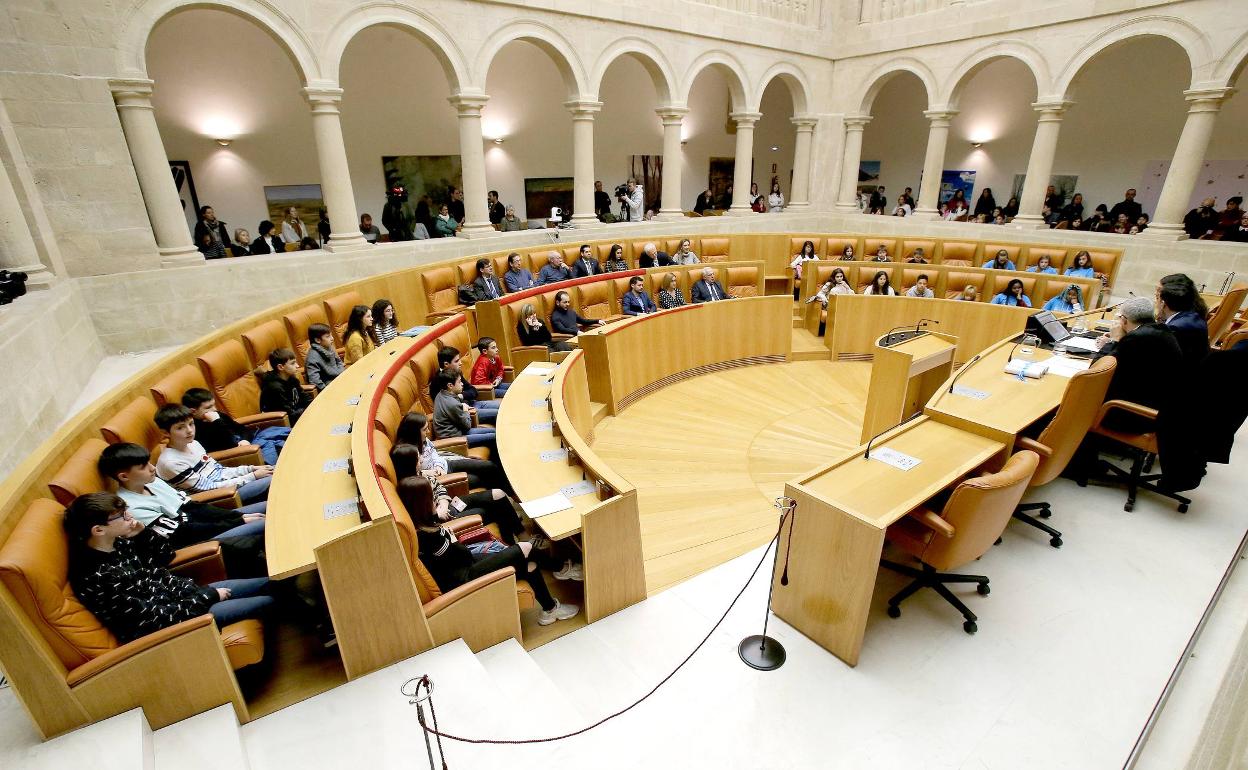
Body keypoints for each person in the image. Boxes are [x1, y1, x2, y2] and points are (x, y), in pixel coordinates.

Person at [64, 493, 275, 644]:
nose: (130, 517)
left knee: (273, 582)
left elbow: (166, 556)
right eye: (122, 516)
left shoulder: (118, 543)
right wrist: (207, 596)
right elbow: (151, 619)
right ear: (98, 529)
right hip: (183, 619)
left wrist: (142, 532)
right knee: (270, 601)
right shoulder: (98, 575)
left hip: (189, 596)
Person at [398, 478, 578, 625]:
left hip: (463, 564)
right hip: (464, 577)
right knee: (526, 548)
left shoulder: (423, 524)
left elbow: (458, 553)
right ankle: (562, 569)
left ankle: (550, 609)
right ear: (422, 502)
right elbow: (461, 553)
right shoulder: (427, 536)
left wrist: (452, 539)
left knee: (528, 563)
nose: (435, 500)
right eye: (431, 497)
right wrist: (452, 539)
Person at [99, 444, 267, 576]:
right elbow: (184, 533)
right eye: (143, 466)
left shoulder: (152, 481)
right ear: (124, 476)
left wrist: (237, 516)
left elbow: (193, 506)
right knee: (264, 523)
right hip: (196, 541)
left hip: (205, 526)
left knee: (266, 507)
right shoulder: (131, 507)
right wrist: (237, 521)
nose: (152, 468)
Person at [390, 444, 524, 543]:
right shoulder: (411, 487)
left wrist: (443, 503)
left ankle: (522, 534)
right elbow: (424, 517)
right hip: (445, 518)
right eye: (418, 460)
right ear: (410, 464)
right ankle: (512, 544)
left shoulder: (420, 474)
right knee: (495, 510)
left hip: (448, 505)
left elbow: (440, 487)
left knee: (498, 494)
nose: (422, 461)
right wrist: (438, 512)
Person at [1093, 296, 1183, 433]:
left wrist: (1115, 340)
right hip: (1161, 408)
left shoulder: (1136, 339)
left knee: (1075, 400)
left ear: (1123, 320)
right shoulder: (1161, 330)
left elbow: (1096, 371)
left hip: (1135, 415)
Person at [154, 404, 272, 504]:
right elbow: (209, 488)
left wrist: (250, 469)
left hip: (227, 485)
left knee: (278, 470)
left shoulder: (193, 444)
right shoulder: (171, 463)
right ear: (166, 433)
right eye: (180, 428)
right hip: (218, 497)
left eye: (191, 424)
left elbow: (219, 471)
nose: (189, 430)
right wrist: (253, 476)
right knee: (274, 480)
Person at [395, 411, 511, 495]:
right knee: (479, 479)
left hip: (445, 464)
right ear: (414, 432)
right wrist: (427, 472)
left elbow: (434, 453)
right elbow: (411, 476)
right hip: (440, 478)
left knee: (490, 466)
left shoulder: (423, 440)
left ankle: (512, 494)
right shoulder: (407, 452)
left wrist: (438, 465)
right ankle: (501, 499)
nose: (429, 431)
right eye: (425, 429)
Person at [181, 388, 287, 465]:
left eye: (214, 404)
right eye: (208, 407)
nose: (214, 409)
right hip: (241, 452)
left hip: (251, 439)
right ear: (193, 412)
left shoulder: (218, 414)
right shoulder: (196, 430)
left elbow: (241, 428)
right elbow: (228, 443)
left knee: (285, 434)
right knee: (278, 446)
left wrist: (245, 440)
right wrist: (216, 422)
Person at [430, 371, 496, 453]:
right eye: (459, 382)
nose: (462, 384)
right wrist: (465, 410)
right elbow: (467, 425)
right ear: (450, 385)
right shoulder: (452, 404)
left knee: (495, 432)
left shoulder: (440, 394)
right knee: (495, 436)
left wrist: (461, 406)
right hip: (455, 439)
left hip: (457, 431)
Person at [1156, 273, 1210, 366]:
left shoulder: (1174, 329)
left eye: (1156, 297)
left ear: (1163, 302)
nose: (1155, 302)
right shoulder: (1193, 315)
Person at [437, 346, 500, 424]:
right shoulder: (438, 382)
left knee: (504, 406)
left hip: (473, 403)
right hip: (467, 412)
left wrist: (461, 395)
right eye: (456, 361)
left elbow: (473, 390)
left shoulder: (456, 372)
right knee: (500, 414)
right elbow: (449, 407)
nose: (460, 363)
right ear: (446, 364)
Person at [259, 348, 314, 426]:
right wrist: (307, 411)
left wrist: (315, 407)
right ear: (281, 367)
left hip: (300, 415)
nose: (297, 366)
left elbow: (304, 396)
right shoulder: (275, 388)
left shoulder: (291, 378)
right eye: (293, 363)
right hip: (285, 424)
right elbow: (289, 415)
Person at [304, 322, 345, 391]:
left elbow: (339, 362)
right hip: (330, 388)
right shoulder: (312, 358)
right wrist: (328, 391)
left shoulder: (328, 347)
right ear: (317, 340)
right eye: (328, 336)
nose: (332, 338)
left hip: (340, 380)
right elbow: (315, 382)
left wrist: (342, 374)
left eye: (331, 335)